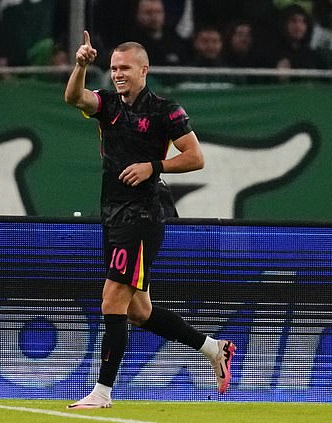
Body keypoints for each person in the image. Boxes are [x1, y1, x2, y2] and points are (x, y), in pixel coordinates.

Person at [63, 31, 235, 409]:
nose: (117, 74)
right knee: (139, 311)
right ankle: (214, 349)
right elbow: (74, 97)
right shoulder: (107, 105)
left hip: (142, 217)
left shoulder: (165, 109)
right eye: (112, 69)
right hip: (112, 213)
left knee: (112, 300)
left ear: (145, 70)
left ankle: (103, 392)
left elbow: (195, 157)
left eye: (125, 68)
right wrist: (80, 66)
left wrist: (152, 166)